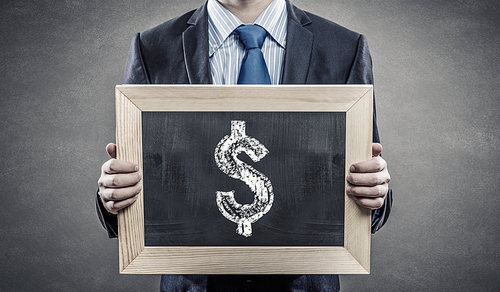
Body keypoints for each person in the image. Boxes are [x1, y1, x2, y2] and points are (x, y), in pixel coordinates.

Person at [96, 0, 393, 291]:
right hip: (195, 282)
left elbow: (368, 182)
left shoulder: (344, 47)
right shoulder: (152, 48)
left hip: (305, 282)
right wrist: (114, 196)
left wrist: (373, 192)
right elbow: (133, 176)